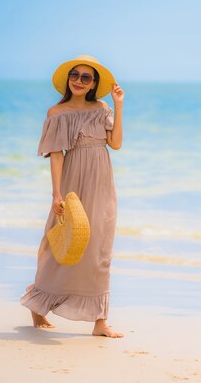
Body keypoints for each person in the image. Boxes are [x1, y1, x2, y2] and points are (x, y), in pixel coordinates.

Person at [20, 55, 124, 338]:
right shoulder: (57, 112)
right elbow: (56, 156)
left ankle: (100, 321)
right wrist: (56, 194)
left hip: (102, 181)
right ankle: (38, 304)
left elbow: (115, 143)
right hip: (72, 181)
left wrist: (118, 104)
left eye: (85, 77)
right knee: (58, 243)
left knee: (100, 247)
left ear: (93, 84)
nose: (78, 80)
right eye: (74, 75)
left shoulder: (102, 108)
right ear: (68, 79)